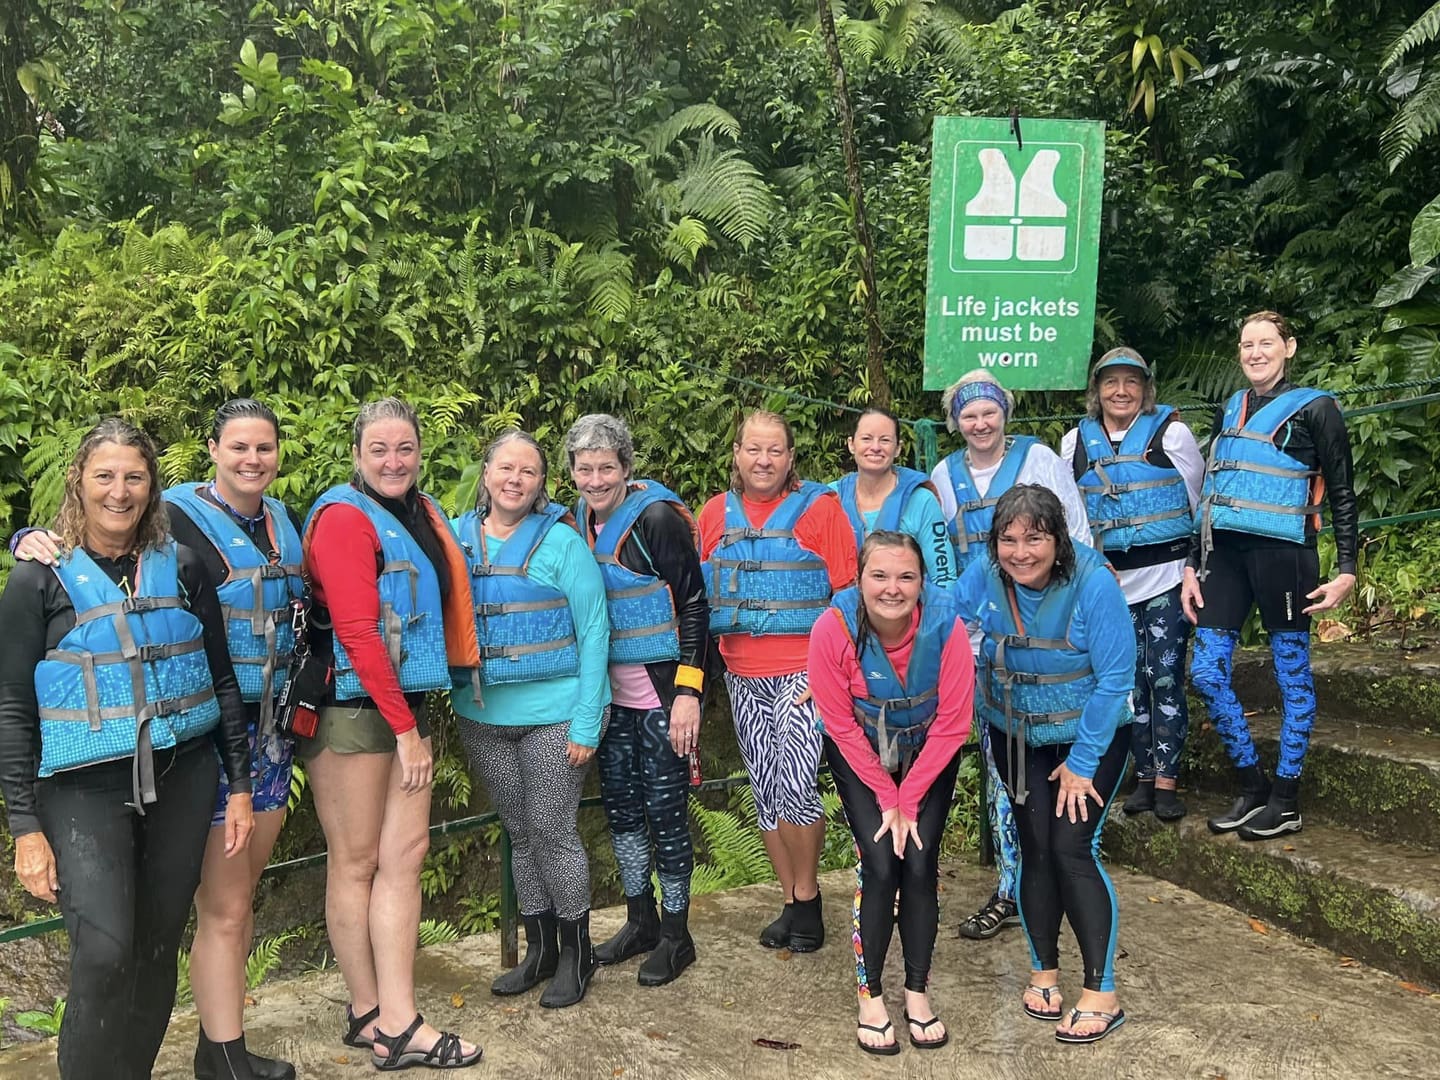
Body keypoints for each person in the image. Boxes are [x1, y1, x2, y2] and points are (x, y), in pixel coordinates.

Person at [12, 400, 306, 1079]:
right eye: (105, 476)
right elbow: (12, 706)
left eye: (134, 478)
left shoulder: (182, 565)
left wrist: (238, 785)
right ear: (79, 479)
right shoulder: (37, 577)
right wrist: (25, 825)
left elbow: (222, 681)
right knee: (105, 950)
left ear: (152, 486)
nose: (120, 492)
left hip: (184, 776)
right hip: (82, 786)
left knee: (157, 944)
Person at [302, 397, 482, 1070]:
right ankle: (383, 1018)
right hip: (357, 712)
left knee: (403, 858)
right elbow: (355, 630)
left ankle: (383, 1014)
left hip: (402, 707)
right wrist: (407, 731)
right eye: (378, 450)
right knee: (357, 862)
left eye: (404, 448)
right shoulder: (347, 520)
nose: (393, 461)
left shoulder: (416, 514)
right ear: (356, 455)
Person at [957, 484, 1134, 1044]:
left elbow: (1115, 681)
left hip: (1090, 738)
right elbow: (936, 616)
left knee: (1070, 846)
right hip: (1017, 733)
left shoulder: (1094, 583)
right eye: (1008, 540)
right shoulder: (985, 574)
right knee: (1033, 847)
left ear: (1058, 539)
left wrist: (1082, 763)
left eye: (1034, 539)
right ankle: (1044, 972)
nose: (1020, 552)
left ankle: (1102, 991)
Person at [1182, 311, 1358, 840]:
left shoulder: (1317, 409)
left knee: (1291, 678)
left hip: (1286, 557)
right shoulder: (1229, 409)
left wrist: (1346, 568)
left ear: (1289, 348)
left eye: (1266, 343)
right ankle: (1252, 785)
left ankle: (1286, 798)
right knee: (1206, 672)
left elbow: (1343, 492)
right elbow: (1213, 488)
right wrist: (1193, 563)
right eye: (1246, 344)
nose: (1255, 352)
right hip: (1225, 558)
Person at [929, 369, 1091, 943]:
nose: (980, 423)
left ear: (1005, 413)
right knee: (1000, 766)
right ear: (956, 422)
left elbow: (1076, 532)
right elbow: (940, 557)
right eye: (968, 415)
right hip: (978, 638)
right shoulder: (943, 477)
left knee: (1047, 750)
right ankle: (1010, 887)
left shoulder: (1039, 460)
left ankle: (1048, 879)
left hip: (1042, 631)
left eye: (989, 412)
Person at [451, 429, 611, 1008]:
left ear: (543, 484)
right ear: (487, 474)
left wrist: (587, 721)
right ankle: (539, 949)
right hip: (483, 713)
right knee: (520, 831)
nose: (515, 480)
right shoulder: (458, 538)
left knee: (551, 828)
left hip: (556, 715)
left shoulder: (561, 543)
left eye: (529, 471)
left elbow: (595, 630)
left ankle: (577, 953)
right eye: (505, 468)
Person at [698, 410, 858, 952]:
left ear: (791, 459)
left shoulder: (820, 511)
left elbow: (849, 595)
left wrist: (835, 672)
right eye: (753, 449)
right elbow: (703, 596)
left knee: (795, 785)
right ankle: (790, 900)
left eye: (775, 451)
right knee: (765, 788)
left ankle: (809, 900)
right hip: (743, 672)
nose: (763, 461)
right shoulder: (714, 514)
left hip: (805, 673)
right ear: (737, 455)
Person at [808, 531, 973, 1055]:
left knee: (920, 862)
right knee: (880, 863)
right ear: (859, 580)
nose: (892, 589)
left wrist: (910, 796)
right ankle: (870, 994)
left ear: (922, 582)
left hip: (930, 751)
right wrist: (887, 795)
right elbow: (837, 722)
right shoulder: (832, 629)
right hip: (861, 751)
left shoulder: (948, 628)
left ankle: (917, 991)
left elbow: (954, 724)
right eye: (879, 576)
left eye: (906, 576)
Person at [565, 414, 708, 987]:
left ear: (626, 467)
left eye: (607, 467)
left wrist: (689, 693)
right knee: (622, 811)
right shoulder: (579, 519)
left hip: (662, 695)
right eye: (584, 468)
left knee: (667, 814)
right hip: (612, 699)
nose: (596, 479)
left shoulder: (654, 520)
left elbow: (694, 604)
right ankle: (640, 919)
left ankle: (678, 934)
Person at [1061, 350, 1204, 822]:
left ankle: (1167, 780)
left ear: (1146, 389)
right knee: (1126, 684)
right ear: (1096, 390)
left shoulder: (1173, 435)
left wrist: (1193, 569)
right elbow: (1071, 518)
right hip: (1109, 586)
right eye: (1110, 383)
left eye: (1131, 382)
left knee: (1163, 677)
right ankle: (1141, 776)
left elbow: (1198, 499)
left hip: (1166, 577)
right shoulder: (1073, 445)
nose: (1121, 392)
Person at [829, 406, 956, 584]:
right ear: (851, 444)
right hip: (847, 608)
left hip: (907, 607)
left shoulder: (921, 500)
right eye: (866, 438)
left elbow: (944, 578)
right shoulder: (831, 498)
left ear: (898, 448)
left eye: (885, 440)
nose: (875, 447)